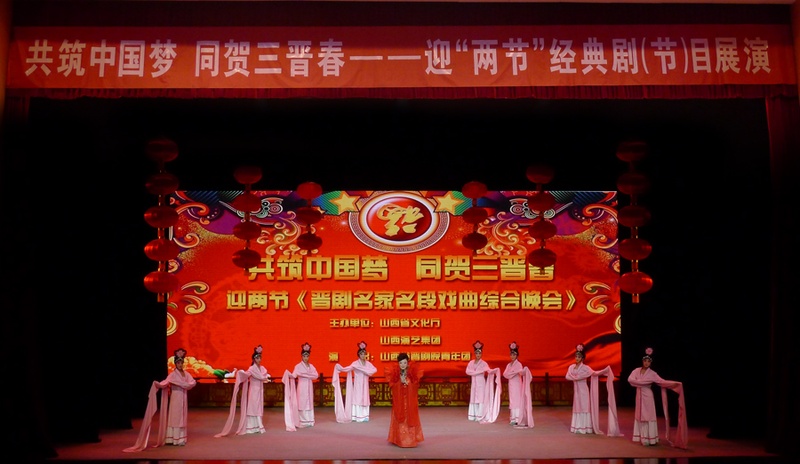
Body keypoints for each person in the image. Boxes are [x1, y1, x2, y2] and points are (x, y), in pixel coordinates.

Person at [124, 348, 197, 452]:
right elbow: (165, 383)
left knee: (182, 417)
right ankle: (174, 439)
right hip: (176, 398)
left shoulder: (186, 374)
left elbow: (193, 382)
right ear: (175, 364)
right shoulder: (173, 375)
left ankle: (181, 439)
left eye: (181, 363)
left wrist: (185, 384)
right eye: (178, 363)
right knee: (175, 417)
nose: (180, 365)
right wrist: (157, 384)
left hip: (183, 397)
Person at [627, 347, 688, 448]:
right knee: (640, 416)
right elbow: (630, 380)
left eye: (648, 361)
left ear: (651, 363)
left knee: (648, 416)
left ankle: (651, 438)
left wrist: (675, 384)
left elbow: (661, 381)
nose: (646, 363)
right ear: (642, 361)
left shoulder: (652, 373)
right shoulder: (636, 371)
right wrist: (643, 382)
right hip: (639, 396)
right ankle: (643, 438)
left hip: (648, 396)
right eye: (645, 361)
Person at [565, 343, 622, 436]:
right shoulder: (571, 367)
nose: (577, 358)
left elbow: (594, 373)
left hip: (583, 391)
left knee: (584, 407)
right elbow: (567, 376)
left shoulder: (586, 368)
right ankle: (577, 427)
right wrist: (576, 377)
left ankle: (585, 428)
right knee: (577, 407)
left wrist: (605, 370)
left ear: (582, 358)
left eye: (579, 357)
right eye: (576, 356)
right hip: (577, 391)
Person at [215, 344, 272, 437]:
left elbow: (264, 376)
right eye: (257, 358)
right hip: (253, 390)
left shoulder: (262, 368)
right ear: (254, 359)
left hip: (260, 390)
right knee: (253, 407)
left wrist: (265, 376)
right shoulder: (252, 369)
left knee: (258, 406)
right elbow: (249, 375)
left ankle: (258, 426)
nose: (259, 360)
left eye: (260, 358)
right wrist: (240, 373)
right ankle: (252, 427)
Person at [332, 340, 378, 423]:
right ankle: (356, 416)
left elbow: (374, 370)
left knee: (364, 398)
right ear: (358, 355)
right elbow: (347, 369)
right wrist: (340, 368)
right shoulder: (355, 363)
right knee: (357, 398)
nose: (363, 355)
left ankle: (365, 416)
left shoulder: (368, 364)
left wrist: (365, 370)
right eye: (361, 354)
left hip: (365, 385)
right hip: (358, 384)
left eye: (364, 354)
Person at [386, 352, 424, 447]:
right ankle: (399, 440)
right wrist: (400, 383)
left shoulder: (412, 373)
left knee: (409, 418)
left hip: (410, 402)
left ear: (407, 363)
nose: (403, 365)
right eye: (401, 363)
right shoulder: (395, 374)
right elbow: (392, 386)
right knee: (399, 418)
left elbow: (416, 386)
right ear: (398, 363)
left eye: (404, 363)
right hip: (399, 402)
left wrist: (408, 383)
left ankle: (410, 440)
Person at [283, 342, 320, 431]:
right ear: (301, 356)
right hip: (302, 387)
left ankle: (309, 421)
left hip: (309, 386)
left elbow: (316, 375)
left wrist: (305, 375)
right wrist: (288, 374)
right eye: (304, 356)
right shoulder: (298, 366)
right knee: (302, 402)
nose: (306, 358)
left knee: (309, 402)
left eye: (307, 356)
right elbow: (294, 375)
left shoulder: (311, 366)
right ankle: (302, 421)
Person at [465, 340, 501, 423]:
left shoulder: (484, 363)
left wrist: (495, 370)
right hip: (474, 383)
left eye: (479, 353)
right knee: (474, 398)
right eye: (477, 353)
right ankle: (473, 415)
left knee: (480, 399)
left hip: (481, 383)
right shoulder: (471, 363)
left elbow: (488, 370)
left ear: (481, 354)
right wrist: (478, 372)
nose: (478, 355)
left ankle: (480, 415)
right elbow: (467, 371)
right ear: (475, 354)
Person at [502, 341, 534, 428]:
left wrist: (511, 373)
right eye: (511, 355)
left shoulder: (519, 364)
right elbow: (505, 374)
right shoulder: (509, 365)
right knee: (512, 401)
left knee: (517, 401)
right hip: (511, 385)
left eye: (514, 355)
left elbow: (519, 372)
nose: (512, 356)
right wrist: (513, 373)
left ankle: (517, 418)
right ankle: (512, 418)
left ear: (517, 355)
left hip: (517, 385)